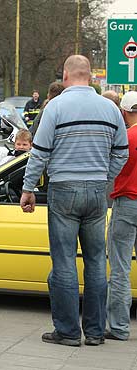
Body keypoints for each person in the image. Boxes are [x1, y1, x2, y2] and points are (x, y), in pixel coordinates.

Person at [20, 55, 129, 347]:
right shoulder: (110, 108)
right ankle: (94, 332)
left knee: (64, 261)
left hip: (63, 190)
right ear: (91, 77)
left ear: (66, 76)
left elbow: (39, 152)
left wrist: (28, 188)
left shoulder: (55, 106)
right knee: (96, 262)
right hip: (97, 192)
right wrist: (105, 179)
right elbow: (122, 152)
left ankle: (67, 332)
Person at [105, 91, 137, 341]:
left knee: (120, 268)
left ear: (124, 113)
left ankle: (118, 327)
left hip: (128, 203)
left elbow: (111, 168)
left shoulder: (126, 137)